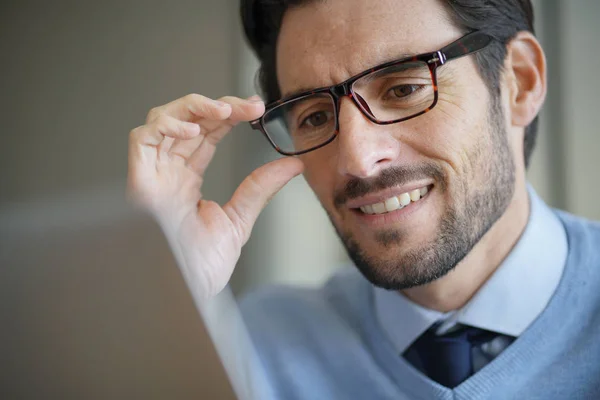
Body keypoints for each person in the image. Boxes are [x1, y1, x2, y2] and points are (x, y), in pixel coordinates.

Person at [127, 0, 600, 398]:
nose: (356, 158)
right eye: (313, 116)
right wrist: (166, 294)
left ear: (520, 80)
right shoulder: (253, 348)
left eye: (404, 89)